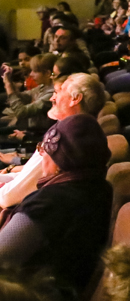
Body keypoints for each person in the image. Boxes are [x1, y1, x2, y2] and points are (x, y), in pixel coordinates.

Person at [0, 114, 114, 301]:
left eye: (44, 150)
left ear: (61, 161)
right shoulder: (96, 185)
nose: (41, 156)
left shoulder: (52, 203)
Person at [0, 73, 107, 210]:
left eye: (58, 92)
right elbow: (26, 178)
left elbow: (8, 197)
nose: (52, 98)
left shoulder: (62, 140)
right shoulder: (81, 133)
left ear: (75, 99)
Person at [1, 54, 55, 137]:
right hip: (29, 129)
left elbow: (21, 112)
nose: (31, 74)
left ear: (48, 73)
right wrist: (9, 80)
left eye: (35, 71)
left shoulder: (51, 94)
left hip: (37, 135)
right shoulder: (43, 86)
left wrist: (8, 85)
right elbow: (22, 97)